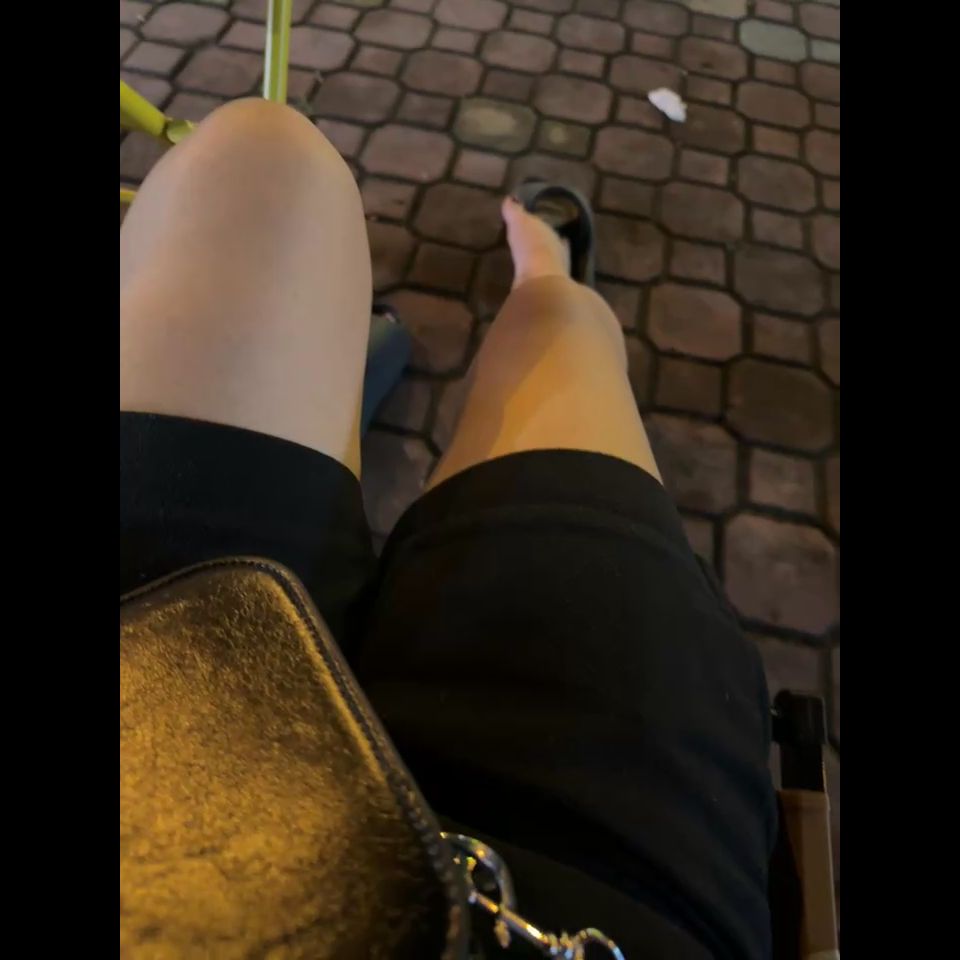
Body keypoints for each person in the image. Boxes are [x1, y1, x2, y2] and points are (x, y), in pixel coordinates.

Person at [121, 99, 776, 959]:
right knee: (562, 334)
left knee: (258, 157)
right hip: (573, 891)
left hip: (147, 714)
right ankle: (546, 276)